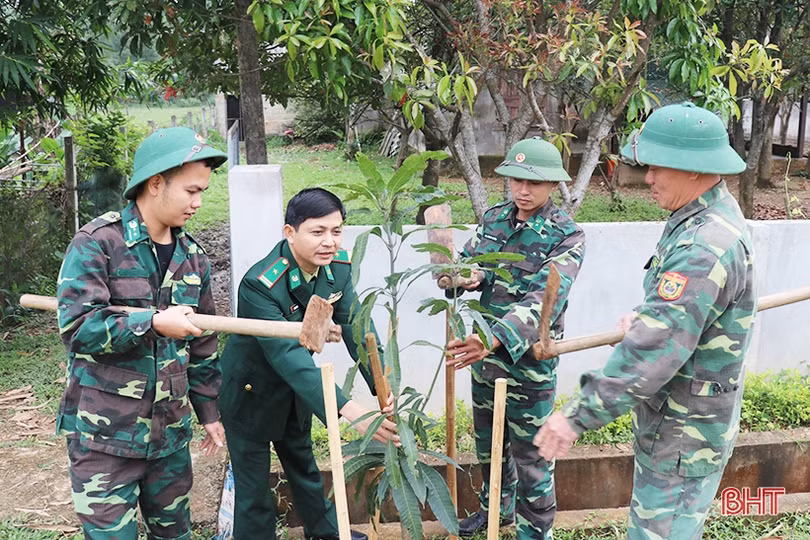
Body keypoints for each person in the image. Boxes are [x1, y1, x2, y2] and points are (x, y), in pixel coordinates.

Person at [534, 102, 756, 539]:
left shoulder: (703, 243)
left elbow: (655, 349)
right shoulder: (699, 218)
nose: (648, 178)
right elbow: (689, 314)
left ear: (694, 169)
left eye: (657, 167)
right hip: (677, 429)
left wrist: (576, 416)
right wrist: (649, 314)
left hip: (682, 437)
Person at [56, 127, 228, 539]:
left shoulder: (193, 257)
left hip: (167, 439)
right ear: (155, 183)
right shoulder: (97, 244)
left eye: (202, 191)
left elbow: (203, 343)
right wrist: (151, 321)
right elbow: (79, 327)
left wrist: (209, 412)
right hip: (105, 441)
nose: (198, 202)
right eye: (190, 190)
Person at [218, 188, 399, 540]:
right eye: (318, 232)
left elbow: (357, 328)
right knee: (254, 487)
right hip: (250, 393)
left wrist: (382, 384)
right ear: (290, 232)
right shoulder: (260, 284)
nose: (329, 242)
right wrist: (348, 409)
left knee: (304, 467)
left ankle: (327, 534)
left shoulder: (337, 269)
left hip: (296, 392)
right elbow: (289, 357)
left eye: (337, 231)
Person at [445, 137, 586, 539]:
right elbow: (474, 262)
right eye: (516, 182)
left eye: (534, 184)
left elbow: (543, 299)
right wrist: (465, 275)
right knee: (490, 445)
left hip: (528, 364)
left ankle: (535, 531)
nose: (524, 191)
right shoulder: (494, 220)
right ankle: (496, 510)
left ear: (552, 186)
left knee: (533, 456)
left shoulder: (568, 236)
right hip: (483, 358)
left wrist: (492, 338)